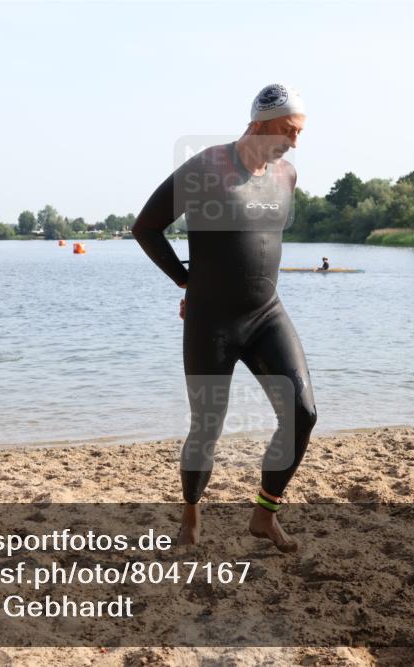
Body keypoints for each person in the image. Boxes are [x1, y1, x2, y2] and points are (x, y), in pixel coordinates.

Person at [132, 83, 317, 552]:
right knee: (207, 426)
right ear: (258, 123)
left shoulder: (287, 175)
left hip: (266, 313)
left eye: (299, 132)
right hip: (211, 320)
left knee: (303, 413)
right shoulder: (207, 167)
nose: (294, 141)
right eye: (288, 130)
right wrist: (186, 282)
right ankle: (191, 516)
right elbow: (147, 227)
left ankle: (265, 514)